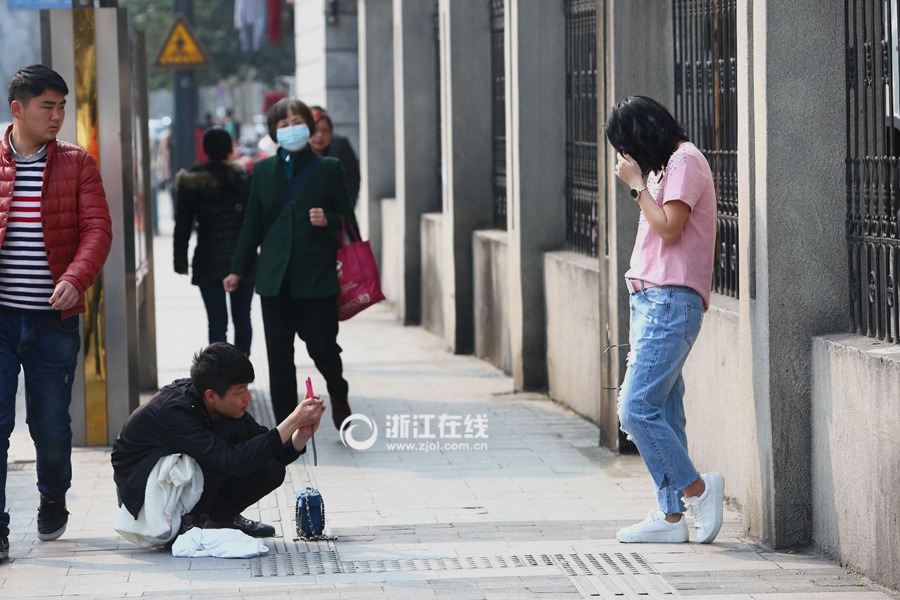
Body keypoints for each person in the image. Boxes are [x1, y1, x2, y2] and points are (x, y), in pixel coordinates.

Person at [0, 64, 113, 560]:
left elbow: (97, 231)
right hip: (1, 320)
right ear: (18, 108)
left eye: (62, 105)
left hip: (53, 321)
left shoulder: (77, 163)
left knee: (50, 424)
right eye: (48, 105)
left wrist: (75, 278)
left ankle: (53, 493)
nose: (57, 115)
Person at [604, 96, 724, 544]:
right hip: (652, 299)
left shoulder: (686, 160)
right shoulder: (665, 168)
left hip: (671, 301)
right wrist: (644, 183)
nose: (626, 159)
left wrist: (637, 188)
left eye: (627, 147)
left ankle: (697, 488)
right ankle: (671, 516)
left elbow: (670, 228)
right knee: (664, 411)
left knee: (634, 407)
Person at [224, 98, 357, 430]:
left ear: (308, 127)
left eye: (296, 122)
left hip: (317, 279)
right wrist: (237, 269)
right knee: (279, 359)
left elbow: (350, 223)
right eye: (283, 125)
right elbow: (252, 223)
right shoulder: (264, 170)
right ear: (274, 132)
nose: (290, 129)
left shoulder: (328, 168)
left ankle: (338, 393)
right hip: (274, 280)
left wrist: (328, 218)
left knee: (322, 347)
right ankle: (285, 429)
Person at [111, 342, 325, 543]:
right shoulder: (175, 412)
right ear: (211, 396)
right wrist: (293, 419)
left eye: (247, 388)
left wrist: (302, 434)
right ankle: (187, 523)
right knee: (229, 450)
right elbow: (234, 462)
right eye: (240, 391)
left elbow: (266, 449)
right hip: (141, 489)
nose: (248, 397)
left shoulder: (217, 403)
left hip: (175, 474)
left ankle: (221, 519)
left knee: (268, 466)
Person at [174, 128, 255, 355]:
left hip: (208, 259)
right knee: (243, 319)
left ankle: (220, 374)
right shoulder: (242, 178)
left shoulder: (191, 182)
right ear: (230, 149)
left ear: (205, 150)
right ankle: (242, 371)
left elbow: (183, 225)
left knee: (217, 322)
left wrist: (180, 261)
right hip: (242, 259)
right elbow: (253, 220)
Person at [310, 106, 361, 207]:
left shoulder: (340, 146)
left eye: (325, 131)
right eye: (315, 130)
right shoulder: (297, 154)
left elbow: (353, 178)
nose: (320, 135)